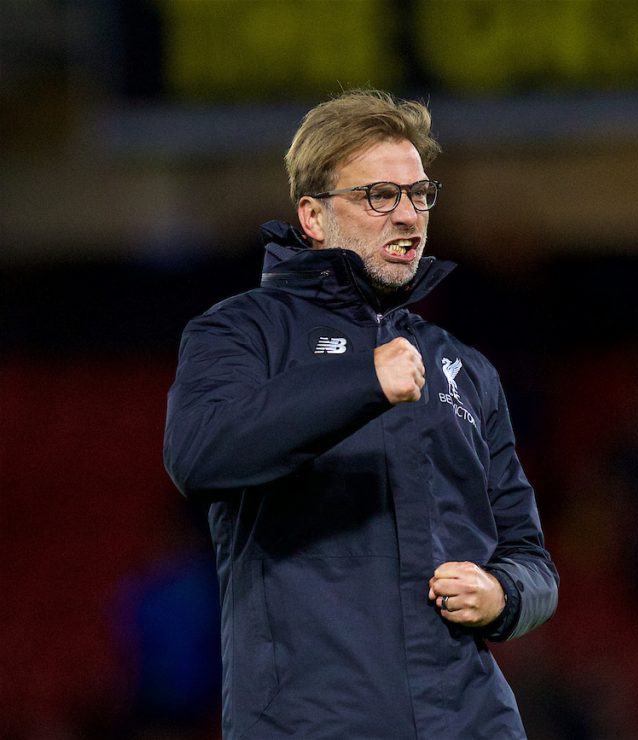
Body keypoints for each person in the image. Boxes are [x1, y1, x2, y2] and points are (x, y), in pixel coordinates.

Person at [163, 89, 559, 739]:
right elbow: (199, 452)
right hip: (310, 724)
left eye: (419, 195)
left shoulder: (465, 368)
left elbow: (531, 559)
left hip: (469, 722)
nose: (408, 217)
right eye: (380, 196)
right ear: (313, 217)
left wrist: (502, 596)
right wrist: (361, 382)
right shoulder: (242, 333)